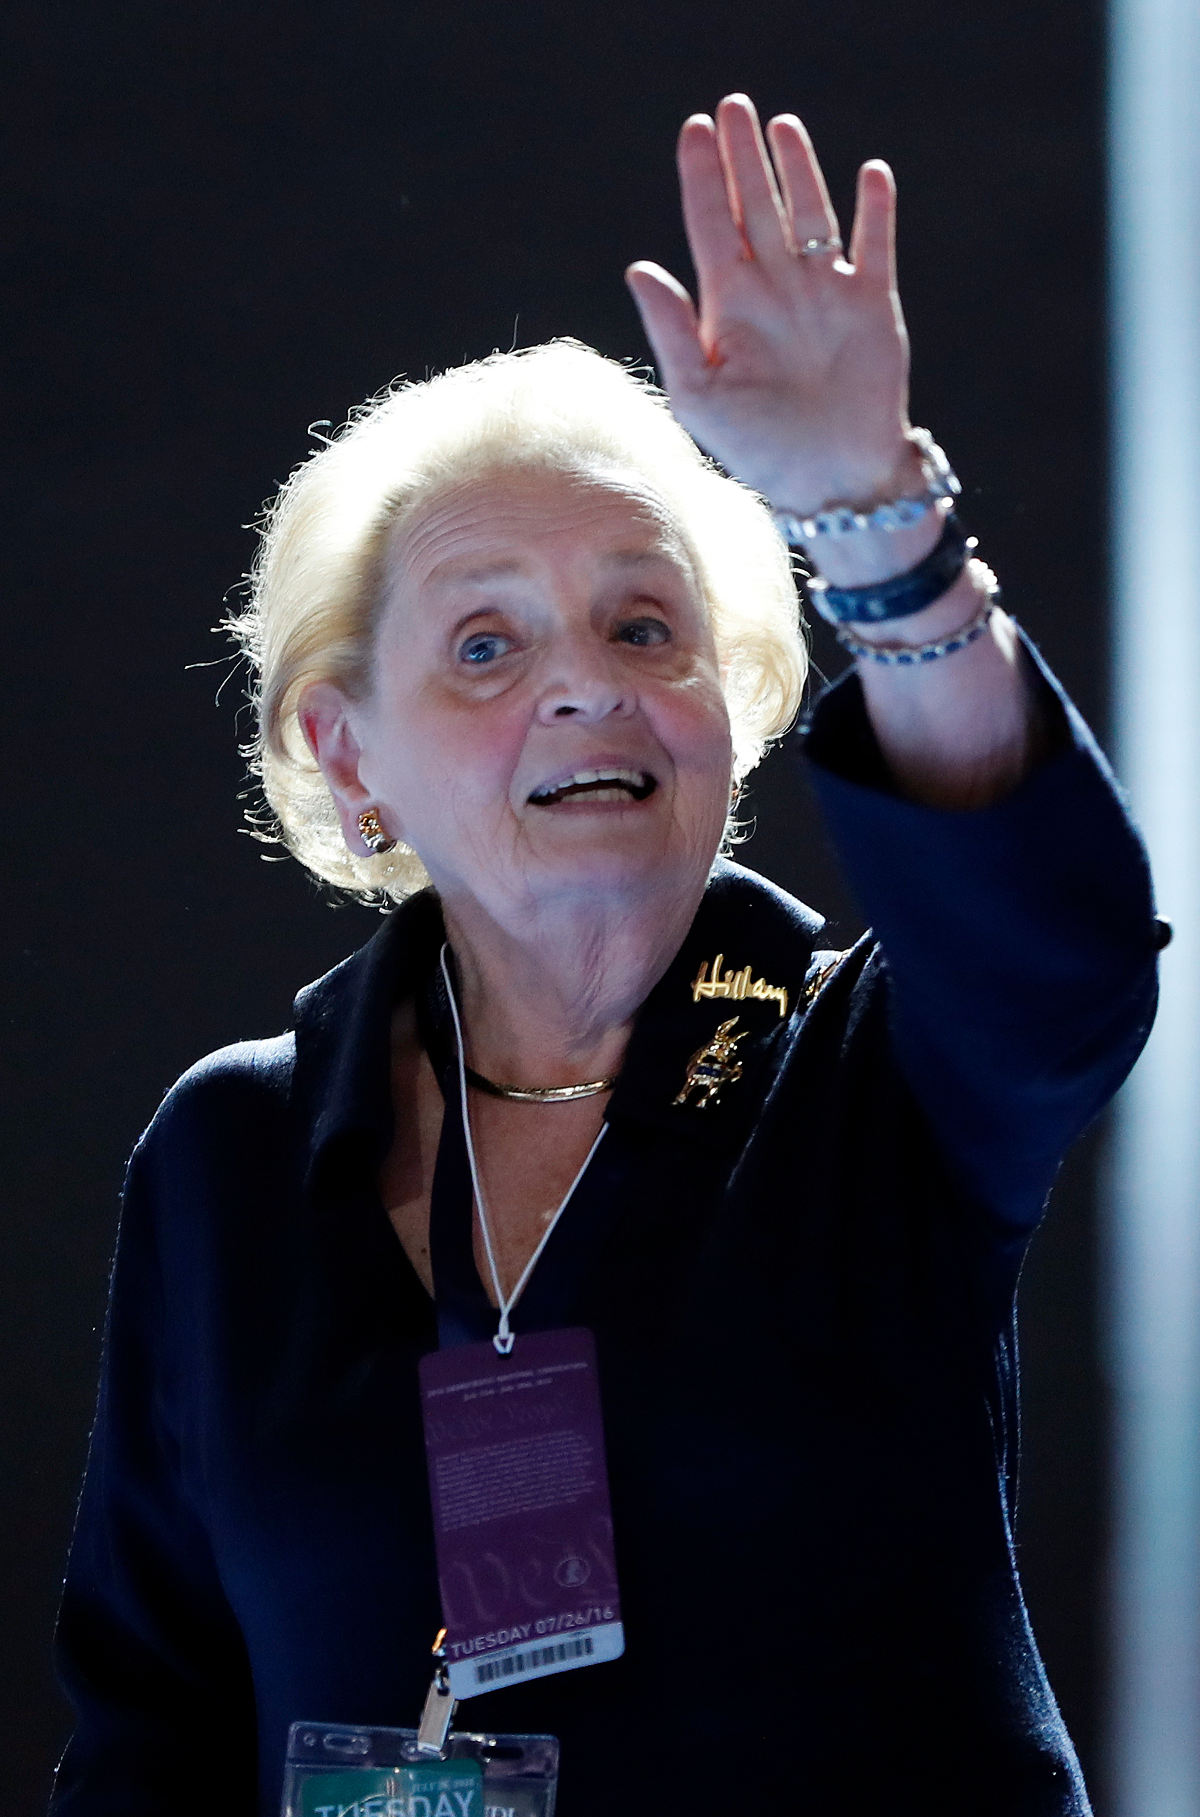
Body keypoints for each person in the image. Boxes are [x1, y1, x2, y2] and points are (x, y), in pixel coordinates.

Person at [50, 96, 1160, 1816]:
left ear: (731, 697)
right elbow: (151, 1726)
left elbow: (1059, 960)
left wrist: (874, 517)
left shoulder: (869, 1077)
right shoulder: (233, 1155)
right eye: (486, 644)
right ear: (349, 755)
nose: (585, 682)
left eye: (646, 625)